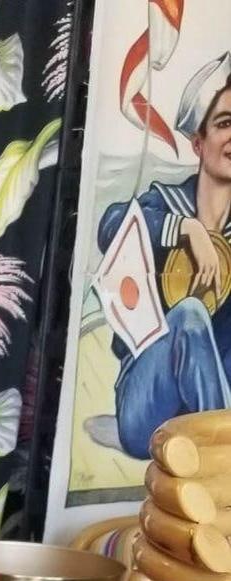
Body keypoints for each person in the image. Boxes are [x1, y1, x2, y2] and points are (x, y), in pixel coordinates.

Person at [99, 53, 231, 459]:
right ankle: (222, 463)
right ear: (198, 142)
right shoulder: (165, 203)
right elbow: (111, 224)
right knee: (189, 314)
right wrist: (186, 230)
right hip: (147, 410)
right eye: (225, 124)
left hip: (215, 399)